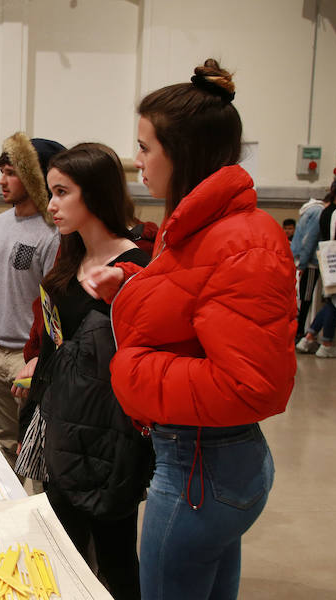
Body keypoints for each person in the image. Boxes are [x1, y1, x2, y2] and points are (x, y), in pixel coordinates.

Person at [86, 59, 296, 599]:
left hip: (202, 471)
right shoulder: (200, 230)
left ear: (185, 154)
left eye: (145, 147)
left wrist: (130, 370)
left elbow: (252, 384)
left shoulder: (239, 240)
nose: (137, 163)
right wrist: (130, 285)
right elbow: (196, 306)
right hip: (207, 464)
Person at [12, 143, 153, 600]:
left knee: (115, 559)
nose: (51, 205)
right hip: (61, 433)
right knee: (65, 553)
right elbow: (54, 346)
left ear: (94, 194)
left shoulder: (137, 267)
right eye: (51, 192)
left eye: (61, 192)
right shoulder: (68, 258)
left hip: (111, 439)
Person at [0, 132, 62, 469]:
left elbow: (56, 306)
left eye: (11, 172)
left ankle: (40, 513)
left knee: (37, 450)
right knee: (5, 443)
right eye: (2, 171)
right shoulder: (1, 222)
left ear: (35, 178)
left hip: (31, 356)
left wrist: (44, 358)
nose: (2, 181)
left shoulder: (53, 233)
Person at [296, 177, 336, 358]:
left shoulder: (327, 212)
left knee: (332, 300)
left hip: (327, 261)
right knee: (335, 301)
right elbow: (334, 239)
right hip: (335, 262)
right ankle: (326, 342)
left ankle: (309, 336)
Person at [290, 191, 327, 340]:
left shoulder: (308, 210)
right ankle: (300, 331)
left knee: (301, 297)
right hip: (309, 262)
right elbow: (310, 239)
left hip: (300, 258)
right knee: (306, 299)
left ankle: (298, 330)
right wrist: (304, 264)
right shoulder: (318, 212)